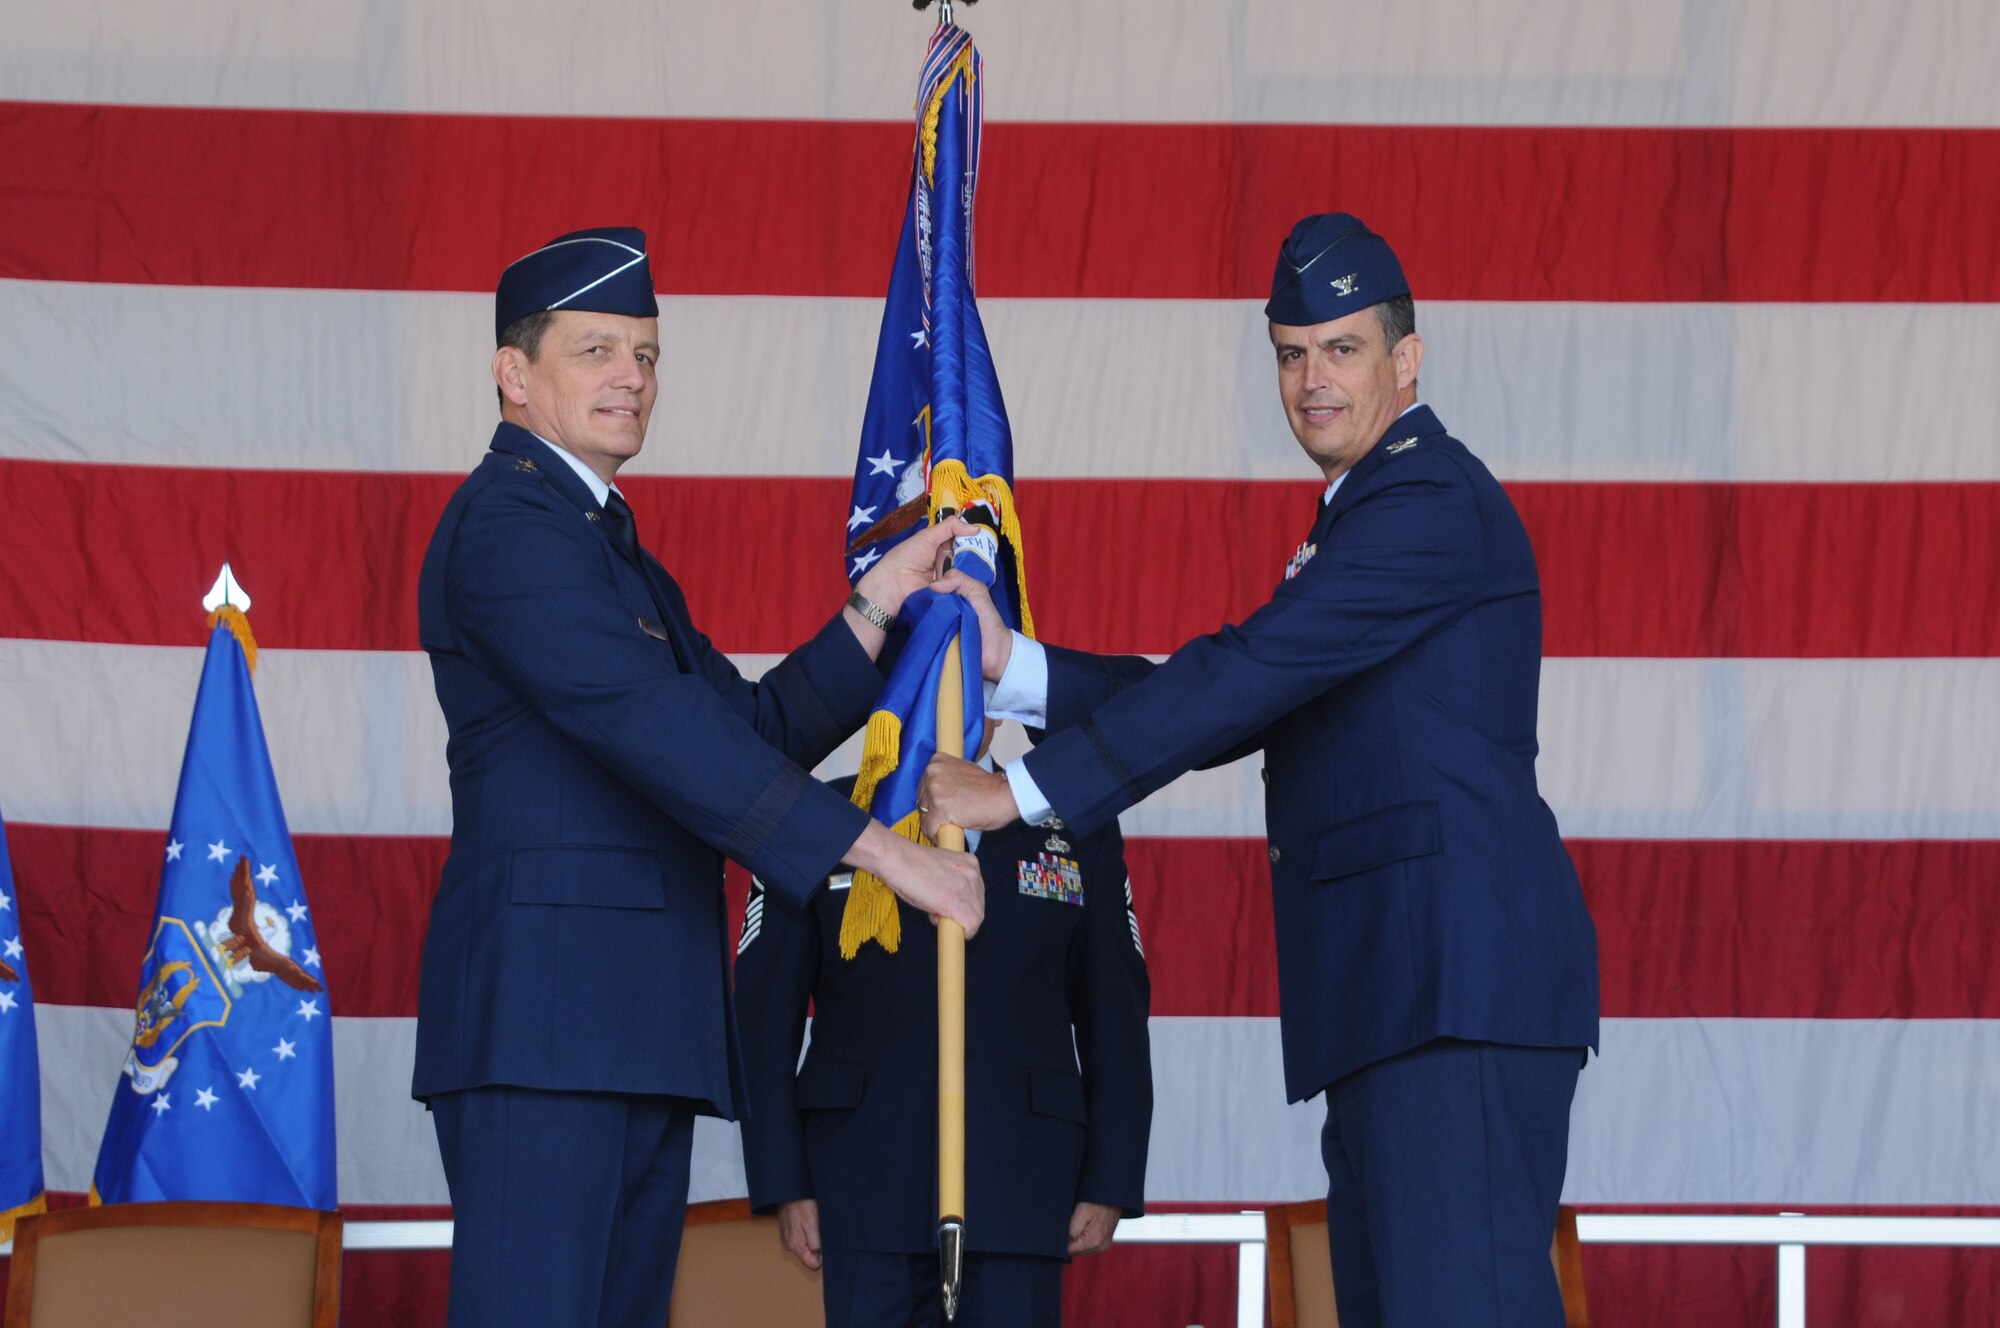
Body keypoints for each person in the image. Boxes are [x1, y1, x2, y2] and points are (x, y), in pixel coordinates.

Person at [919, 213, 1600, 1327]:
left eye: (1341, 348)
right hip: (1402, 990)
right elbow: (1250, 684)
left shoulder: (1421, 500)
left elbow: (1249, 672)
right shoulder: (1366, 510)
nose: (1311, 378)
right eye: (1291, 352)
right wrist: (1016, 665)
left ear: (1406, 358)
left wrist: (1020, 792)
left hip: (1450, 986)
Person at [413, 226, 985, 1328]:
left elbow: (752, 726)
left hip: (629, 1022)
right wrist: (880, 852)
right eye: (595, 350)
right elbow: (655, 728)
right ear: (512, 374)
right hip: (544, 1025)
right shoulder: (507, 528)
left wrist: (875, 606)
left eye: (645, 352)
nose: (630, 376)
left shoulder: (607, 545)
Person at [736, 722, 1152, 1328]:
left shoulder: (1072, 827)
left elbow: (1114, 1013)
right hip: (862, 1179)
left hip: (1020, 1180)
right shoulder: (822, 817)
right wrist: (785, 1180)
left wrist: (1110, 1175)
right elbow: (764, 1017)